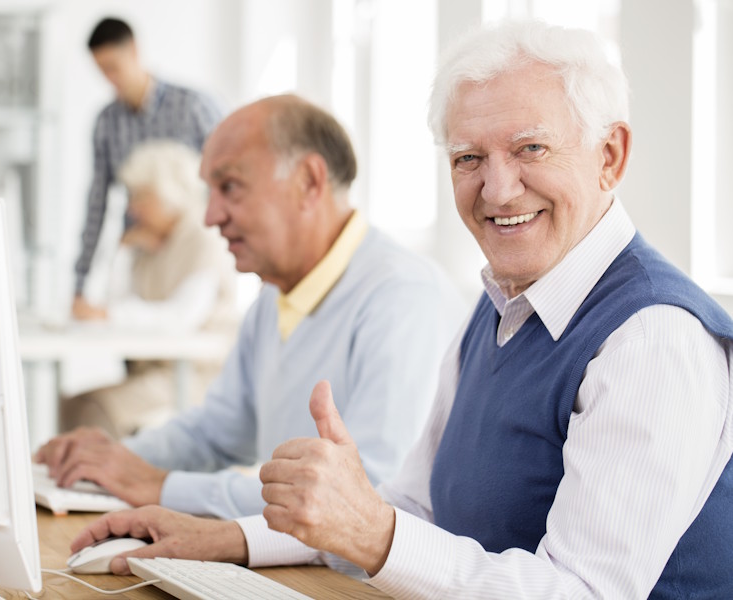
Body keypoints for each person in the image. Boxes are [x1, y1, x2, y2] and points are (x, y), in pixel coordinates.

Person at [68, 21, 733, 598]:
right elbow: (413, 506)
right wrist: (225, 540)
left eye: (531, 148)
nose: (496, 189)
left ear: (609, 156)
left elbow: (581, 593)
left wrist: (374, 533)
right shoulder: (500, 307)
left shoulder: (653, 338)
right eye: (468, 158)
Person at [36, 94, 466, 521]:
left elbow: (370, 497)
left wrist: (157, 486)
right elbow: (217, 434)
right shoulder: (273, 296)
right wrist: (108, 460)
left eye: (229, 187)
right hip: (289, 561)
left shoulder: (403, 298)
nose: (209, 216)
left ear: (308, 182)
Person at [62, 140, 239, 438]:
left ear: (170, 195)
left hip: (195, 375)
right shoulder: (148, 241)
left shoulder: (203, 238)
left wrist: (107, 315)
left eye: (142, 197)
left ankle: (101, 479)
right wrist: (123, 252)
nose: (133, 208)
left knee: (96, 409)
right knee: (71, 404)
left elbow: (181, 318)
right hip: (152, 371)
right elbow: (120, 301)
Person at [73, 17, 223, 313]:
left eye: (113, 67)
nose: (109, 78)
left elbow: (227, 177)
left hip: (190, 252)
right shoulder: (107, 123)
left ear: (134, 52)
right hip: (142, 259)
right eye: (101, 70)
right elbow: (96, 205)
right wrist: (79, 285)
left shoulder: (193, 107)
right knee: (135, 341)